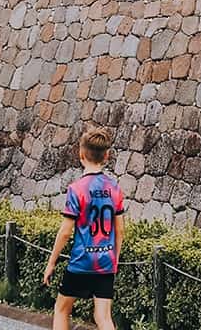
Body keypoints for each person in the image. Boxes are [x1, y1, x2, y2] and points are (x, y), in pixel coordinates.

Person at [42, 126, 124, 330]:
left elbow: (66, 232)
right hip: (105, 261)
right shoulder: (114, 188)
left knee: (62, 309)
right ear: (107, 155)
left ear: (81, 154)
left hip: (81, 261)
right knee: (103, 317)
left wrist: (51, 263)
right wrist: (115, 260)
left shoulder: (76, 189)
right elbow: (120, 231)